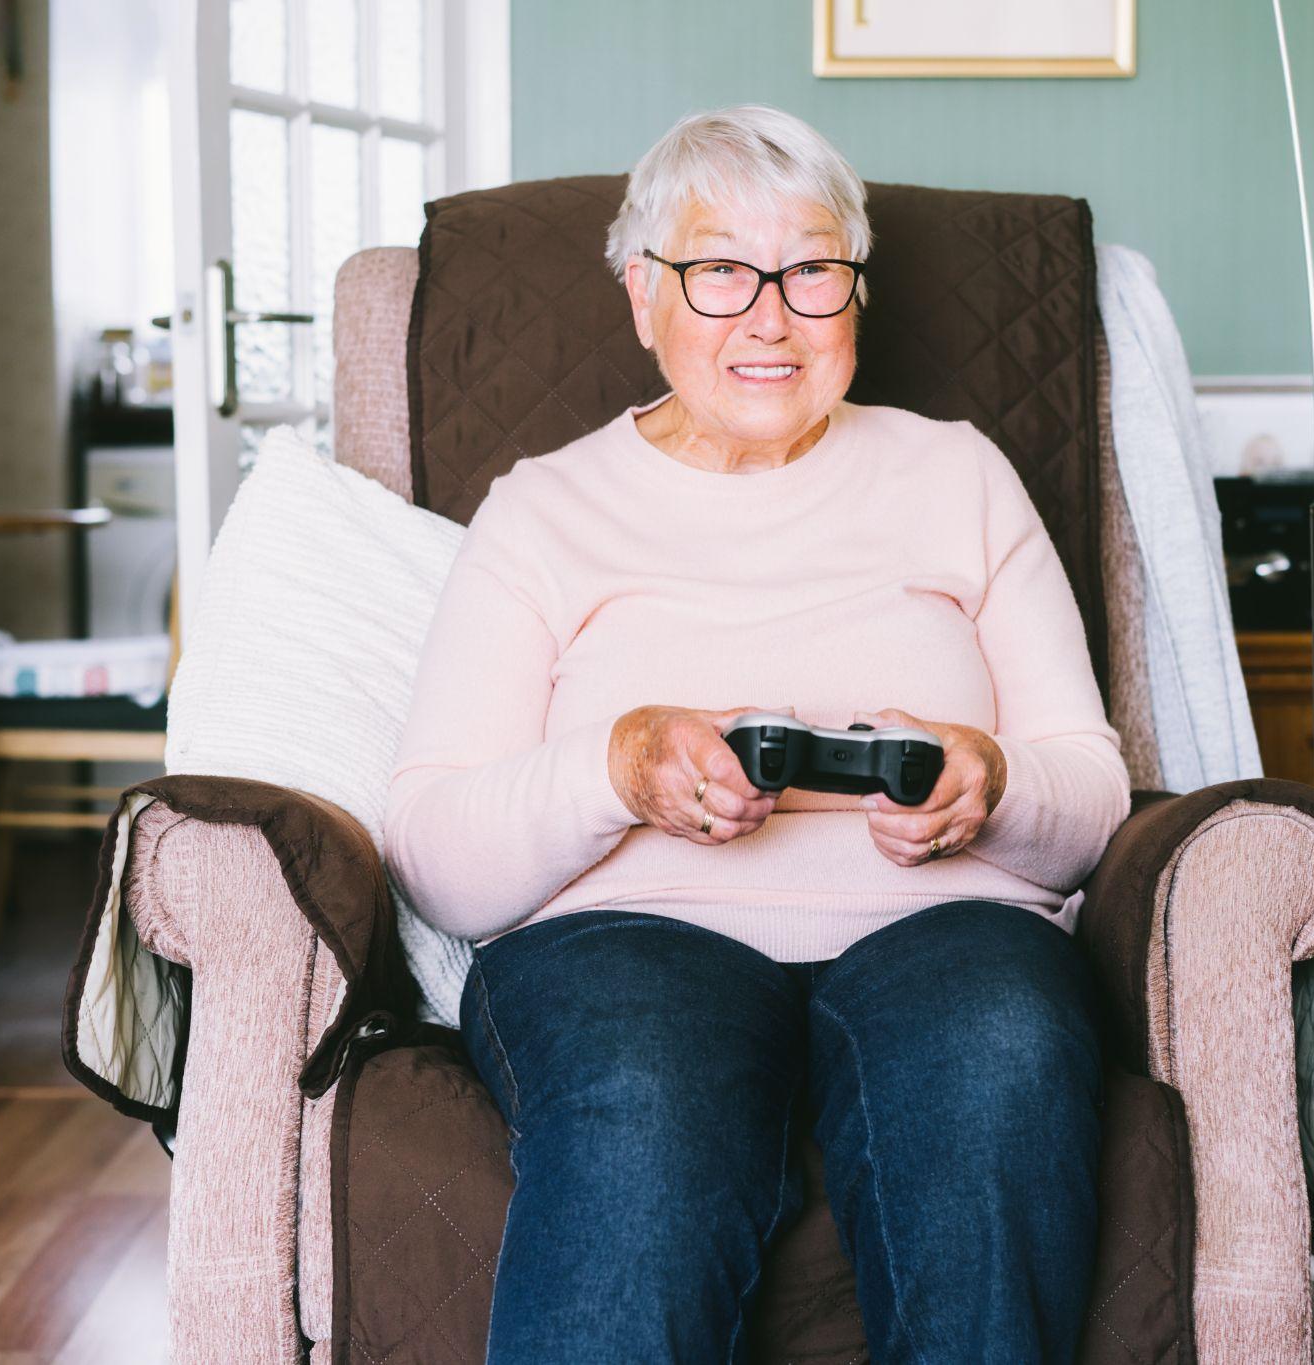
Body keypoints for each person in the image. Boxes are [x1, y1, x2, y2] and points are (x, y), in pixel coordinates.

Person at [382, 104, 1130, 1364]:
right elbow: (434, 855)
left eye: (811, 270)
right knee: (642, 1107)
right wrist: (617, 767)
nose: (769, 317)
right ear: (641, 297)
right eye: (719, 268)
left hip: (940, 935)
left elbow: (1092, 794)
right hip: (625, 944)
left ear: (854, 291)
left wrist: (990, 783)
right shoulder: (544, 509)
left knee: (997, 1049)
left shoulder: (959, 474)